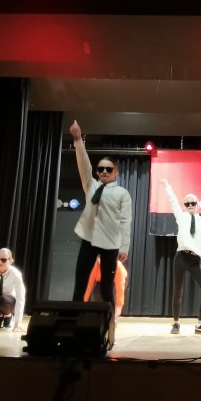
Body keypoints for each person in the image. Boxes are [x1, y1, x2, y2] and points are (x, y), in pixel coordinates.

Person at [69, 120, 132, 312]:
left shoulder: (122, 193)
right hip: (89, 239)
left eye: (109, 169)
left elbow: (125, 221)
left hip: (110, 243)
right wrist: (78, 140)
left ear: (115, 172)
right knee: (80, 283)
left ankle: (108, 323)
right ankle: (73, 320)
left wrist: (124, 247)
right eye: (101, 169)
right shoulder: (91, 186)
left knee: (106, 287)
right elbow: (84, 166)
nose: (104, 171)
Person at [163, 179, 201, 335]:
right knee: (177, 291)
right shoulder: (181, 217)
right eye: (187, 203)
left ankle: (200, 324)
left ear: (197, 204)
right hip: (181, 257)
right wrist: (168, 186)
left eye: (193, 203)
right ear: (184, 206)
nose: (190, 205)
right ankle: (176, 323)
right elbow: (173, 202)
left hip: (195, 260)